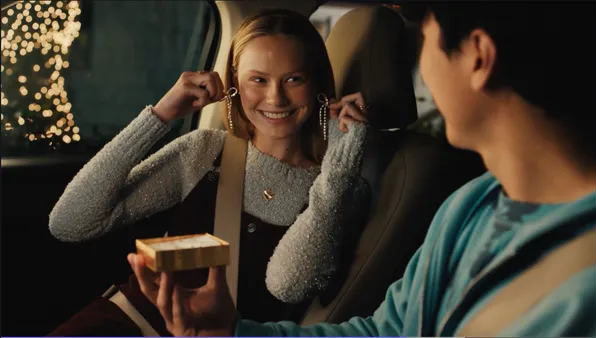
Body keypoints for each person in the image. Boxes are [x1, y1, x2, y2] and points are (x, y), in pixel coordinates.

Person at [130, 1, 596, 336]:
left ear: (478, 57)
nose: (421, 65)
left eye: (427, 39)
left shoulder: (582, 280)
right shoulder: (469, 209)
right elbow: (384, 332)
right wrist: (235, 333)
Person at [48, 9, 370, 336]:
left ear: (317, 83)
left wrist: (338, 168)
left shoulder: (340, 187)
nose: (275, 97)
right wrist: (159, 116)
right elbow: (71, 222)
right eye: (258, 79)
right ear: (235, 84)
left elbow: (288, 285)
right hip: (121, 322)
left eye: (293, 79)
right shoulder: (205, 151)